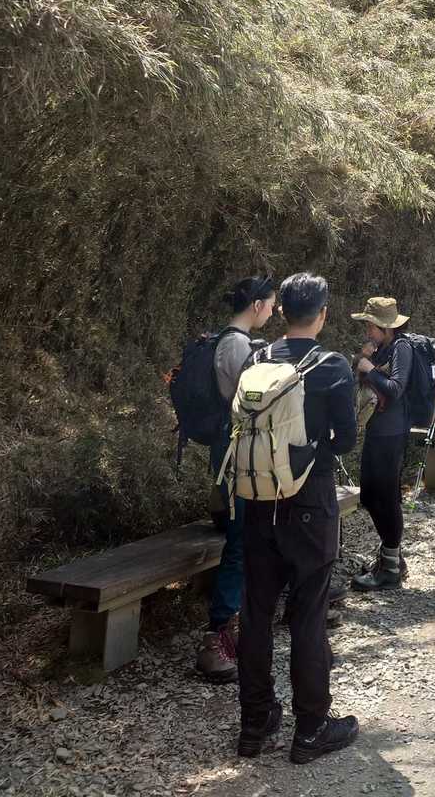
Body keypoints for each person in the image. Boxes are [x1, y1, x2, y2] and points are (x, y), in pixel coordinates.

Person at [236, 272, 359, 765]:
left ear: (282, 312)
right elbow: (346, 440)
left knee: (256, 611)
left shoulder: (256, 359)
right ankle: (310, 729)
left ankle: (255, 722)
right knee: (307, 614)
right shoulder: (332, 366)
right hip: (309, 502)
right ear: (323, 314)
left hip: (257, 497)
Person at [195, 275, 275, 684]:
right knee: (240, 543)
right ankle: (216, 640)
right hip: (236, 454)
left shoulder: (232, 342)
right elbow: (250, 405)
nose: (273, 312)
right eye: (271, 305)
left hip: (234, 451)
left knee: (244, 539)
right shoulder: (237, 346)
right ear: (257, 305)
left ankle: (235, 627)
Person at [350, 296, 413, 592]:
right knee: (371, 495)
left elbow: (396, 389)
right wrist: (363, 361)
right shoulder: (382, 348)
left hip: (392, 432)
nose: (367, 330)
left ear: (384, 327)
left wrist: (369, 368)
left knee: (385, 498)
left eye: (370, 325)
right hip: (379, 429)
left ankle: (390, 568)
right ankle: (392, 559)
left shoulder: (401, 347)